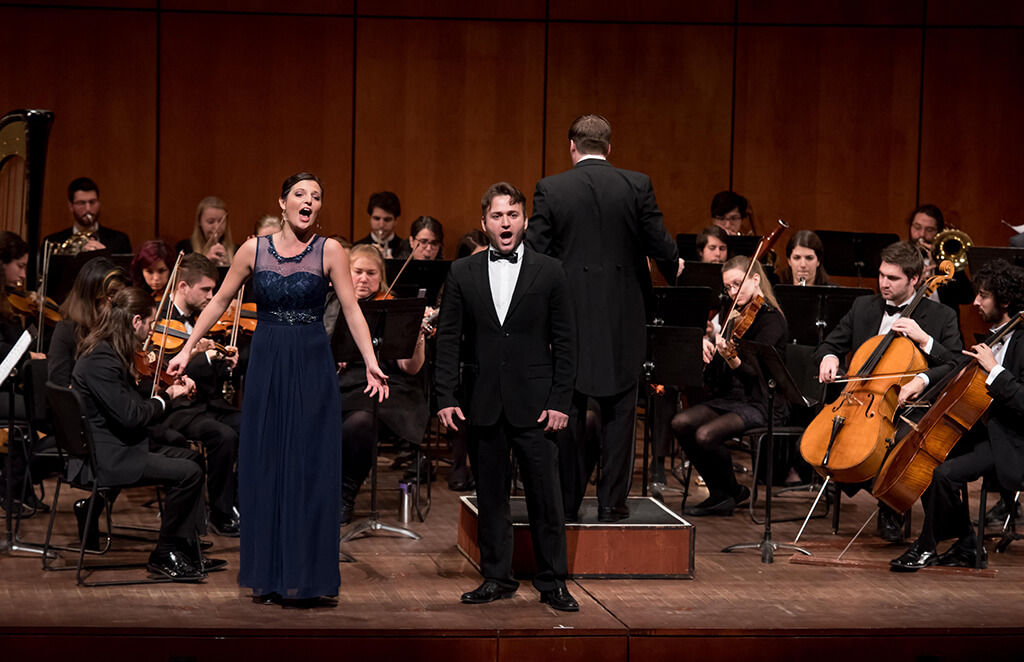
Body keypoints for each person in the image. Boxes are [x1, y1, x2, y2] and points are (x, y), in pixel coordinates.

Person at [167, 172, 388, 607]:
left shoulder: (331, 251)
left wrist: (371, 362)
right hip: (267, 361)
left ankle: (307, 576)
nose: (309, 202)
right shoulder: (253, 249)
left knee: (308, 465)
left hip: (310, 362)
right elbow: (217, 302)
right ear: (283, 202)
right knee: (266, 462)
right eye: (301, 194)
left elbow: (351, 309)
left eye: (317, 196)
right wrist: (186, 348)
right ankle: (267, 574)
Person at [527, 114, 682, 523]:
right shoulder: (636, 184)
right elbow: (660, 246)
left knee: (572, 406)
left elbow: (535, 254)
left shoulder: (551, 188)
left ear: (572, 146)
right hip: (624, 314)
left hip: (569, 315)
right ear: (609, 148)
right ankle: (613, 504)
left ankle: (568, 501)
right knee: (620, 410)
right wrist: (674, 267)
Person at [436, 182, 578, 612]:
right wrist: (444, 395)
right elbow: (448, 340)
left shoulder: (550, 270)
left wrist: (560, 400)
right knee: (491, 497)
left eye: (512, 215)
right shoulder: (462, 272)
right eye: (497, 216)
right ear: (484, 223)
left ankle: (553, 581)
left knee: (545, 498)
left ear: (524, 221)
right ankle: (497, 577)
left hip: (537, 404)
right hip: (483, 402)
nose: (505, 223)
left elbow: (567, 342)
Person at [815, 241, 962, 542]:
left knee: (898, 444)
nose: (883, 283)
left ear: (914, 280)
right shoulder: (863, 307)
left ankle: (889, 508)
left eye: (892, 278)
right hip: (863, 401)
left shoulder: (941, 316)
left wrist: (925, 350)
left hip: (914, 406)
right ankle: (875, 491)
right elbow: (830, 345)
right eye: (881, 275)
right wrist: (829, 359)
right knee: (836, 440)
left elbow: (957, 364)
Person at [72, 286, 219, 580]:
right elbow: (131, 417)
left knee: (191, 459)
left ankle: (184, 546)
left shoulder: (110, 351)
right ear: (136, 321)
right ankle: (165, 553)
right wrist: (168, 397)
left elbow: (129, 405)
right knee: (188, 474)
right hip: (112, 456)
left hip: (121, 445)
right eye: (151, 323)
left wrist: (165, 389)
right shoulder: (102, 360)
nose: (153, 331)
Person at [890, 259, 1024, 570]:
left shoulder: (1022, 341)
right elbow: (957, 366)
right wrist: (921, 377)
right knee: (927, 456)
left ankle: (928, 546)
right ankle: (966, 544)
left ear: (1004, 301)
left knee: (944, 474)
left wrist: (996, 371)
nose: (975, 301)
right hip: (988, 431)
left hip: (1013, 439)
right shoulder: (994, 336)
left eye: (983, 295)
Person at [669, 256, 787, 516]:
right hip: (731, 397)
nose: (733, 292)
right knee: (681, 423)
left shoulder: (772, 320)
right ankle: (728, 492)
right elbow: (718, 362)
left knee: (705, 435)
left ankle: (725, 493)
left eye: (737, 284)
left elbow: (757, 375)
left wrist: (732, 359)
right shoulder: (732, 313)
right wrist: (708, 344)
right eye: (728, 287)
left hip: (761, 399)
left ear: (755, 280)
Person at [324, 244, 429, 524]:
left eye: (371, 273)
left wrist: (416, 336)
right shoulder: (331, 302)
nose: (363, 279)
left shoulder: (392, 305)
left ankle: (344, 494)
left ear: (380, 277)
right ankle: (321, 491)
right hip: (340, 382)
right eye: (357, 271)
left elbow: (410, 367)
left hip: (384, 383)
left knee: (361, 424)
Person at [163, 253, 241, 537]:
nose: (212, 296)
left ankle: (237, 501)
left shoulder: (201, 321)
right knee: (223, 435)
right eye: (206, 290)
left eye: (214, 290)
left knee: (256, 424)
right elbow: (165, 373)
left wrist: (223, 363)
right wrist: (203, 358)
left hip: (206, 404)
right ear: (183, 287)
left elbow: (208, 375)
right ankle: (220, 512)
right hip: (176, 409)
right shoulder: (159, 321)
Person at [49, 257, 129, 388]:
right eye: (111, 294)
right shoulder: (66, 330)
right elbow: (59, 384)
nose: (116, 303)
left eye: (120, 296)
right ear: (91, 297)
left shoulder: (118, 327)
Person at [43, 178, 132, 254]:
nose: (88, 209)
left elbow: (124, 273)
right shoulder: (52, 242)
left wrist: (105, 255)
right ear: (71, 206)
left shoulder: (119, 240)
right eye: (81, 203)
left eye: (92, 202)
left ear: (99, 203)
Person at [176, 196, 236, 267]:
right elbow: (183, 276)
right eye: (211, 221)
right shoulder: (185, 247)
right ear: (199, 221)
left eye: (221, 221)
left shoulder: (236, 250)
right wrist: (206, 260)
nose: (217, 227)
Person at [354, 191, 403, 258]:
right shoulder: (356, 248)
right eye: (377, 218)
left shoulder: (405, 249)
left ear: (396, 220)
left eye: (387, 220)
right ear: (370, 218)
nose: (381, 225)